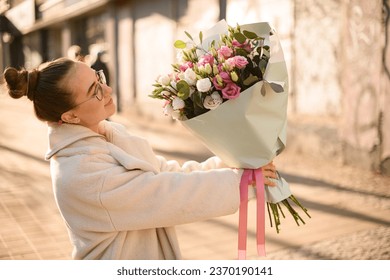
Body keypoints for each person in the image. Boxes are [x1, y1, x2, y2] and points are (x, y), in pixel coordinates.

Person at [3, 58, 277, 260]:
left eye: (99, 79)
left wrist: (234, 162)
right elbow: (165, 195)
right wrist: (242, 182)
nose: (107, 91)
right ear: (70, 117)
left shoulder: (108, 132)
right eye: (94, 91)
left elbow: (166, 172)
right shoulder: (80, 172)